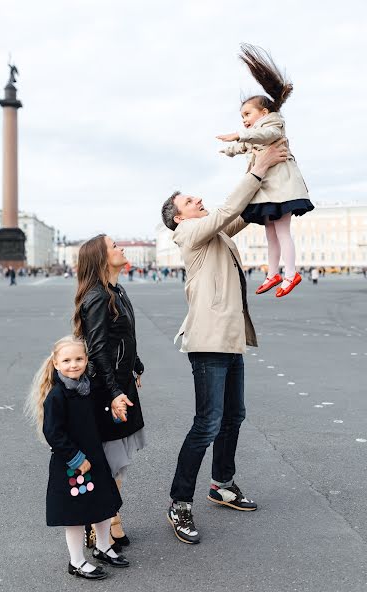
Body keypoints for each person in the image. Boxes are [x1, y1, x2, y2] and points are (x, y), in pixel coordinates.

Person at [161, 138, 287, 544]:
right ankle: (179, 503)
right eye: (189, 200)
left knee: (233, 417)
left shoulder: (214, 235)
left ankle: (222, 484)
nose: (198, 199)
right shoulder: (190, 235)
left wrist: (262, 162)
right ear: (178, 218)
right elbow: (229, 209)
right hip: (208, 342)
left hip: (229, 341)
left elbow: (242, 212)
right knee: (207, 424)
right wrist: (257, 168)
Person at [24, 335, 129, 580]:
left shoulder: (87, 389)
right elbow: (53, 432)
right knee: (76, 515)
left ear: (86, 360)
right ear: (56, 363)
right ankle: (77, 561)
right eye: (67, 360)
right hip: (73, 465)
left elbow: (97, 420)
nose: (74, 364)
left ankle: (103, 548)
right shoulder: (57, 396)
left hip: (95, 458)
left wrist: (113, 415)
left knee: (104, 506)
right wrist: (75, 458)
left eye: (79, 359)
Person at [217, 43, 314, 298]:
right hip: (270, 191)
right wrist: (229, 148)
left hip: (282, 188)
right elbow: (248, 145)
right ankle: (273, 274)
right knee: (271, 233)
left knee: (282, 231)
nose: (244, 119)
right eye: (241, 117)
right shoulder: (256, 133)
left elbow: (263, 135)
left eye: (247, 114)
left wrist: (239, 134)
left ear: (264, 111)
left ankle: (291, 273)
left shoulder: (273, 123)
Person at [73, 235, 145, 551]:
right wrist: (114, 390)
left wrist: (136, 364)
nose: (121, 248)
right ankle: (101, 521)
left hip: (120, 382)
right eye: (114, 246)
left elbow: (124, 334)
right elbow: (99, 348)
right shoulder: (97, 297)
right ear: (101, 258)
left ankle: (110, 517)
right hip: (107, 389)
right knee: (111, 458)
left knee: (118, 459)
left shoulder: (116, 290)